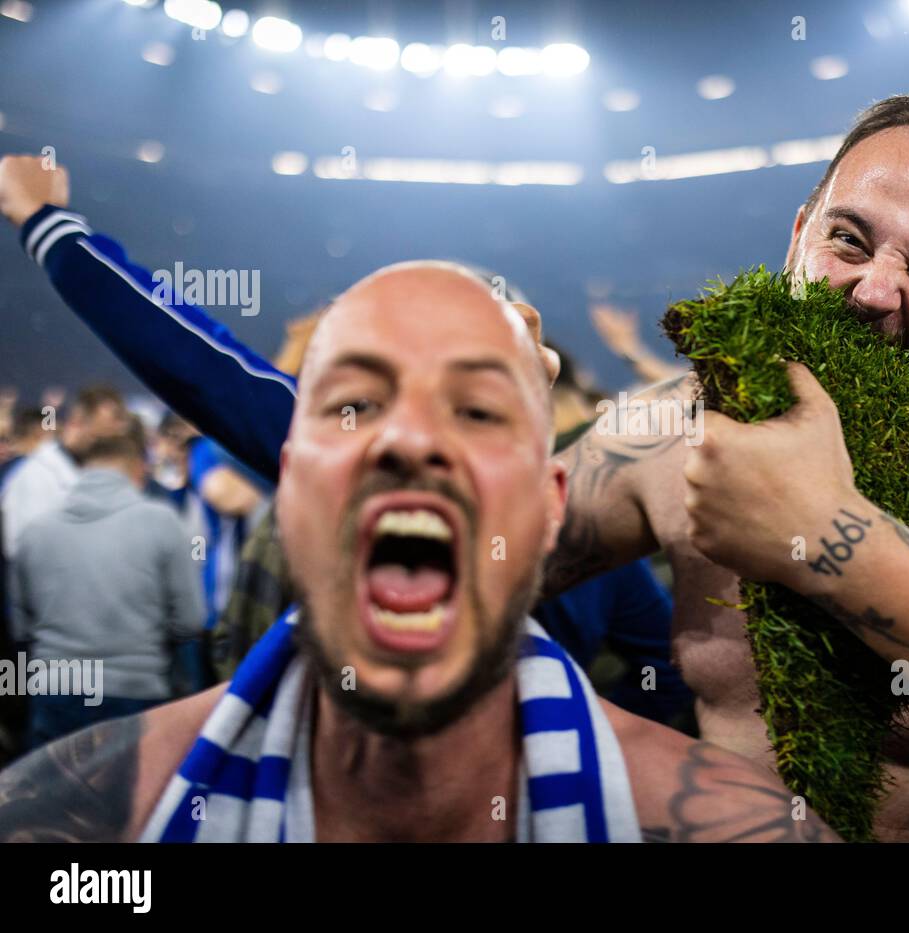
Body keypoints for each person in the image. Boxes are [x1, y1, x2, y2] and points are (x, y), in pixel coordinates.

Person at [0, 88, 909, 842]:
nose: (874, 294)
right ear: (794, 239)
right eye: (849, 242)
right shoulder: (667, 435)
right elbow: (456, 548)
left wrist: (834, 541)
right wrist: (477, 415)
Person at [0, 261, 836, 843]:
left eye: (476, 411)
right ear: (290, 485)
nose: (405, 439)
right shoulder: (81, 821)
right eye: (358, 403)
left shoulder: (731, 827)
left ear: (550, 507)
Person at [8, 419, 206, 748]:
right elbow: (190, 621)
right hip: (136, 693)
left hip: (55, 691)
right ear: (138, 471)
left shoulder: (34, 533)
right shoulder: (163, 522)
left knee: (57, 799)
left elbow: (20, 628)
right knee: (130, 799)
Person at [1, 384, 127, 560]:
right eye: (98, 438)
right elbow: (23, 550)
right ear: (77, 424)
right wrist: (49, 408)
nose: (105, 448)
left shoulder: (98, 472)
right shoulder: (35, 472)